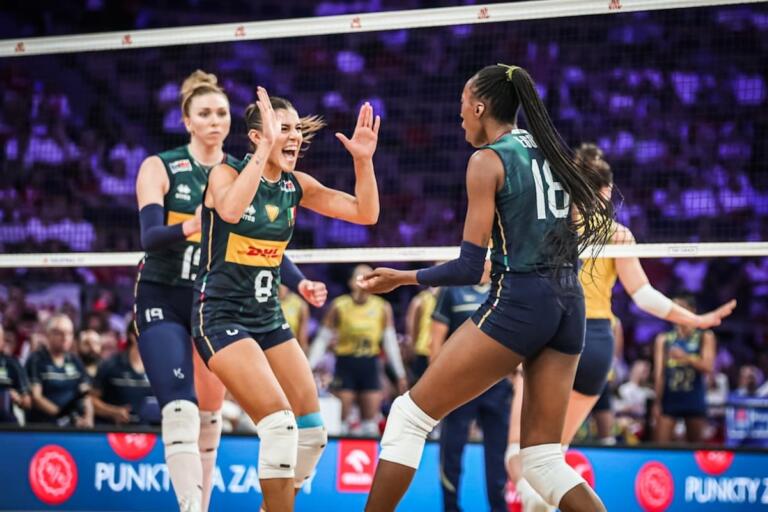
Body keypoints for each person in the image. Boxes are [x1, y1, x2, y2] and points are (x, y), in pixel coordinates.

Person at [358, 64, 614, 512]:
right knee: (543, 460)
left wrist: (403, 277)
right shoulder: (552, 150)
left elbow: (469, 266)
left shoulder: (487, 160)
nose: (459, 115)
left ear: (479, 107)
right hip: (570, 303)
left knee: (407, 417)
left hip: (522, 301)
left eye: (462, 104)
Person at [504, 145, 736, 511]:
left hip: (553, 337)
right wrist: (694, 320)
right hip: (597, 346)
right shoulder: (617, 234)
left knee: (520, 452)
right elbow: (643, 295)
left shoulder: (548, 226)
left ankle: (532, 499)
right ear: (607, 190)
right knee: (554, 454)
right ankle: (543, 504)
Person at [134, 70, 319, 512]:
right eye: (205, 114)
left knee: (210, 417)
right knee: (181, 411)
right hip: (165, 293)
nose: (215, 121)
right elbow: (150, 238)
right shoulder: (162, 166)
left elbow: (263, 248)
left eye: (221, 113)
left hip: (217, 297)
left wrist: (299, 282)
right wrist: (197, 222)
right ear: (187, 120)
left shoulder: (243, 169)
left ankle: (209, 502)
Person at [191, 87, 379, 511]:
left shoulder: (295, 185)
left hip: (267, 317)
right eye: (283, 129)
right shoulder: (224, 174)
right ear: (257, 137)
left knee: (312, 435)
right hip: (220, 317)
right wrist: (263, 151)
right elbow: (231, 211)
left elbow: (366, 213)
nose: (294, 136)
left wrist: (363, 161)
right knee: (278, 425)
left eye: (296, 129)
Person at [432, 263, 511, 512]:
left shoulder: (508, 289)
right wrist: (438, 384)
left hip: (498, 386)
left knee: (497, 456)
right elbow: (436, 343)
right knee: (451, 452)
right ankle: (450, 507)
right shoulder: (451, 291)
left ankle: (499, 508)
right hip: (460, 386)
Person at [309, 264, 407, 436]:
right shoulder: (339, 305)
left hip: (370, 364)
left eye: (368, 277)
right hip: (346, 364)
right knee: (341, 420)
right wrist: (308, 367)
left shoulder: (382, 307)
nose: (363, 280)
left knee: (370, 423)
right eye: (359, 276)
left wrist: (399, 373)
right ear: (350, 282)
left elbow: (390, 343)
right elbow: (322, 340)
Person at [654, 293, 717, 443]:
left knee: (695, 448)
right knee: (660, 446)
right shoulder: (664, 339)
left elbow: (708, 367)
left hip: (694, 398)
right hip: (669, 398)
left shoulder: (705, 336)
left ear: (692, 310)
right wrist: (657, 403)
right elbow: (659, 374)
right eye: (673, 308)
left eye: (680, 307)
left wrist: (685, 357)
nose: (675, 312)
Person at [25, 314, 93, 427]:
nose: (65, 337)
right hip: (45, 427)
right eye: (59, 333)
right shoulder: (36, 359)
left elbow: (86, 394)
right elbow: (36, 398)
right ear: (48, 335)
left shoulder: (75, 360)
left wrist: (89, 418)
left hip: (76, 425)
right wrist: (67, 417)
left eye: (69, 333)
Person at [91, 330, 156, 425]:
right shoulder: (110, 365)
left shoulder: (161, 366)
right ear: (133, 336)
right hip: (114, 430)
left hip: (152, 431)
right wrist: (113, 412)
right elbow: (91, 400)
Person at [405, 285, 438, 383]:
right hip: (423, 351)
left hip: (439, 352)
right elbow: (411, 327)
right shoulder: (420, 300)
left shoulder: (450, 296)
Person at [0, 324, 31, 424]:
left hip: (6, 424)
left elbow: (27, 402)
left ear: (2, 342)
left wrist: (18, 399)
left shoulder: (13, 364)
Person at [279, 284, 310, 353]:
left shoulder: (300, 304)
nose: (279, 286)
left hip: (289, 349)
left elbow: (303, 338)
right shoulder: (266, 302)